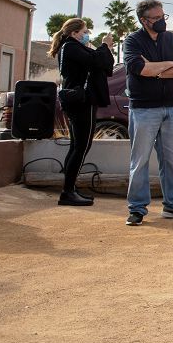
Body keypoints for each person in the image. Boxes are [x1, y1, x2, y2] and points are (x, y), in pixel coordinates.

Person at [122, 0, 173, 226]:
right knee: (140, 162)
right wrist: (168, 66)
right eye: (156, 18)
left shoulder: (170, 38)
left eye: (163, 16)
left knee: (171, 161)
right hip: (144, 110)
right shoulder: (133, 41)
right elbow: (138, 68)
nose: (162, 21)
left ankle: (172, 206)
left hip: (171, 109)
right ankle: (137, 209)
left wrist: (156, 70)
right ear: (144, 20)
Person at [49, 18, 114, 206]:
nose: (87, 35)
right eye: (84, 31)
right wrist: (104, 46)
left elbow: (104, 66)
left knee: (77, 146)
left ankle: (70, 188)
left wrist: (104, 49)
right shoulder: (70, 47)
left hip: (83, 101)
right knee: (81, 147)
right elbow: (95, 61)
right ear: (74, 33)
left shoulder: (75, 48)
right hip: (80, 102)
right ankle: (67, 191)